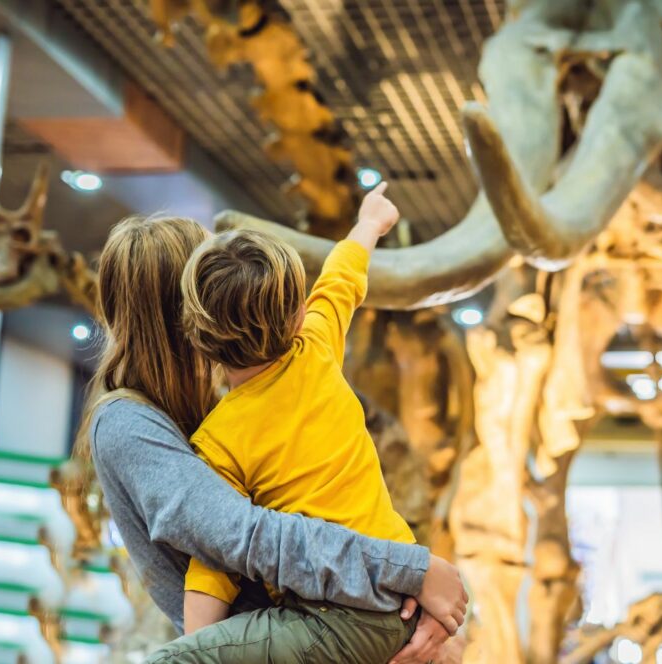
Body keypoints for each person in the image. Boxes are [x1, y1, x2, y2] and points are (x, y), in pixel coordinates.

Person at [84, 211, 466, 664]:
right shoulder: (132, 424)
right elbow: (242, 538)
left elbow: (221, 564)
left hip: (341, 616)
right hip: (345, 610)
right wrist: (411, 572)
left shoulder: (221, 426)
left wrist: (423, 596)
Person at [162, 182, 432, 664]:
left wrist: (193, 646)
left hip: (335, 617)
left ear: (198, 336)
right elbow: (341, 278)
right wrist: (370, 221)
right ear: (297, 314)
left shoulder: (217, 440)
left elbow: (215, 563)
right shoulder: (316, 345)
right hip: (401, 587)